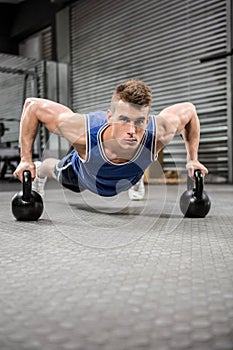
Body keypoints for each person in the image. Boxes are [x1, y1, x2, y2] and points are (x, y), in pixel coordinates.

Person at [13, 79, 208, 200]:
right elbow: (33, 106)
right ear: (110, 117)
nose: (132, 130)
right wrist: (25, 159)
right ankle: (41, 170)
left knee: (137, 160)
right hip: (82, 176)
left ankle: (135, 180)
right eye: (123, 119)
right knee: (53, 169)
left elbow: (189, 110)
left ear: (147, 119)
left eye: (139, 121)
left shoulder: (159, 132)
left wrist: (193, 159)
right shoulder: (84, 133)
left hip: (129, 174)